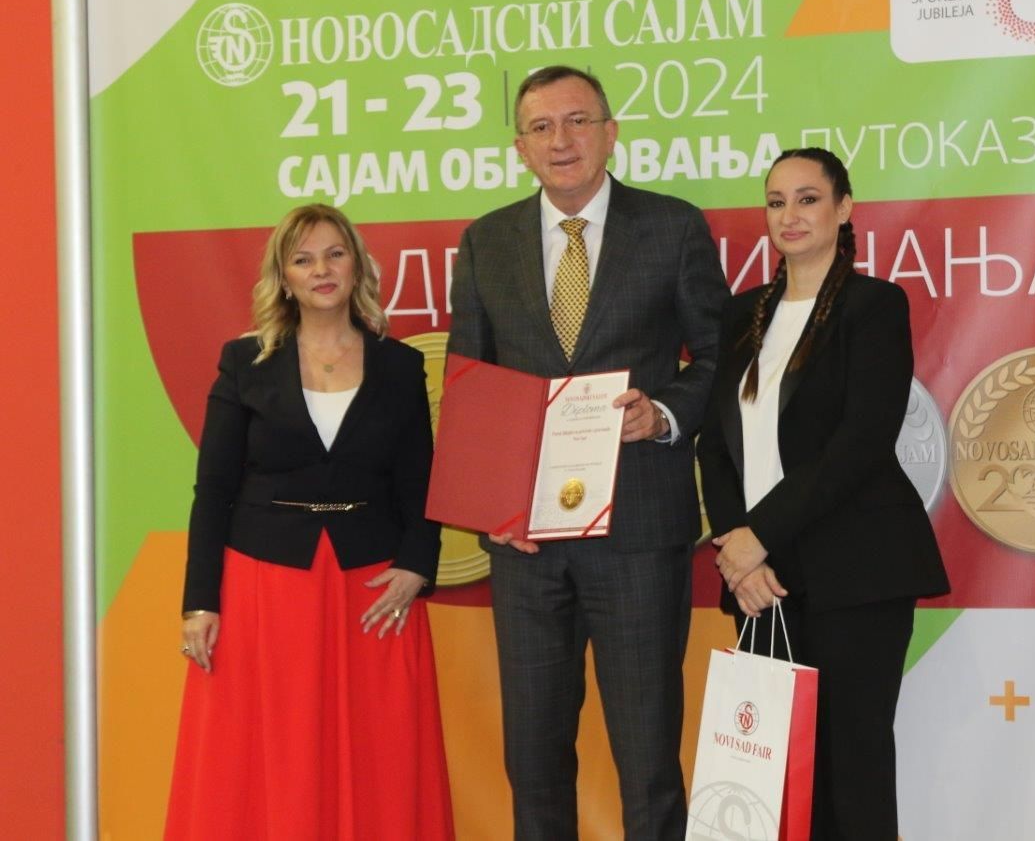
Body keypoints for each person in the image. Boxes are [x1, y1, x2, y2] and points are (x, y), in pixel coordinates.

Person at [447, 65, 729, 839]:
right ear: (520, 148)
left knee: (647, 759)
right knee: (534, 760)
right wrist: (490, 507)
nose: (561, 140)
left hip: (639, 531)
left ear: (610, 133)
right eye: (541, 127)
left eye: (577, 121)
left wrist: (663, 412)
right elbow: (470, 385)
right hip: (526, 541)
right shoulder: (485, 242)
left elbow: (718, 355)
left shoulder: (671, 227)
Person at [165, 204, 454, 840]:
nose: (321, 269)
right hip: (265, 586)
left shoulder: (400, 366)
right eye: (303, 259)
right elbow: (213, 491)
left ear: (356, 266)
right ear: (284, 277)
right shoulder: (243, 362)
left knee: (379, 753)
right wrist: (200, 602)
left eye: (334, 254)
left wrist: (416, 565)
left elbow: (420, 483)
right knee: (269, 754)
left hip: (373, 590)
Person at [696, 148, 951, 840]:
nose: (790, 215)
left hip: (856, 571)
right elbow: (714, 444)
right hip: (762, 581)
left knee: (851, 772)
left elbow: (860, 442)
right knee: (773, 777)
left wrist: (759, 536)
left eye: (808, 199)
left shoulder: (874, 307)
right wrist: (737, 551)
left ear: (844, 208)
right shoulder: (741, 314)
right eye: (776, 201)